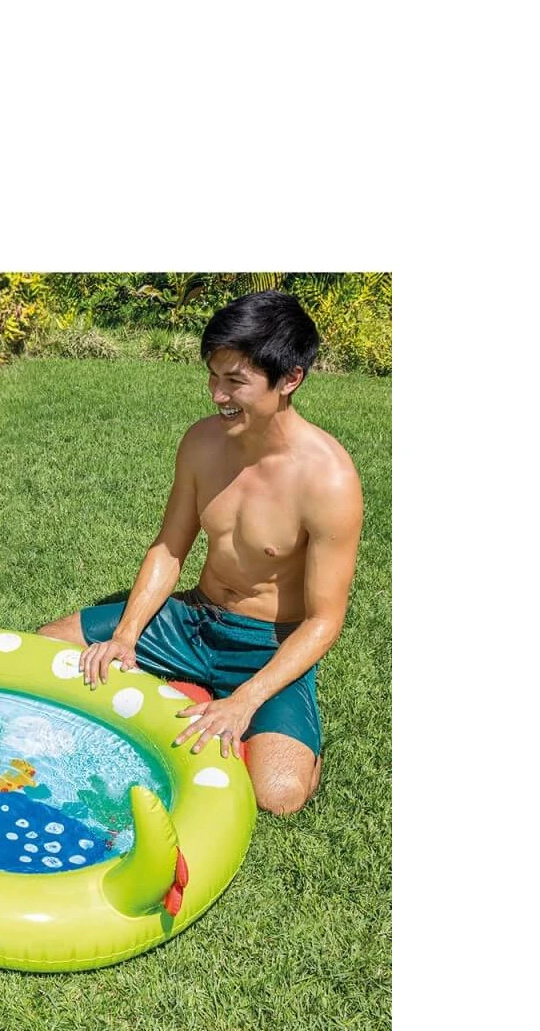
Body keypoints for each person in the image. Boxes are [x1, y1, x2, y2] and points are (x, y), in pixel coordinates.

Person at [39, 290, 363, 815]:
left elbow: (325, 620)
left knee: (279, 794)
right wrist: (125, 636)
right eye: (213, 377)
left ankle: (278, 729)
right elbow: (170, 548)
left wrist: (247, 699)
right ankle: (191, 685)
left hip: (265, 644)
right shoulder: (202, 443)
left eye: (235, 381)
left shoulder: (329, 480)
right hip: (191, 620)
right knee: (48, 646)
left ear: (290, 379)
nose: (217, 395)